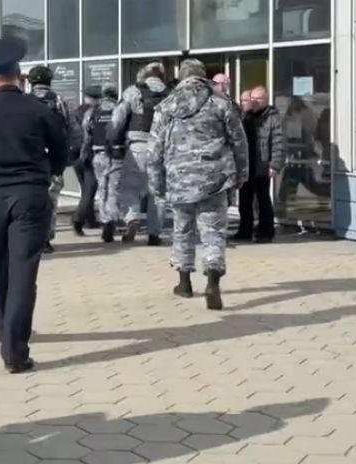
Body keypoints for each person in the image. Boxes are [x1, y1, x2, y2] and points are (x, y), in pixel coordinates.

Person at [0, 37, 67, 373]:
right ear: (19, 75)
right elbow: (61, 152)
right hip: (29, 195)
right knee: (23, 270)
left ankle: (3, 327)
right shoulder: (38, 109)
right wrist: (45, 174)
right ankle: (15, 350)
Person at [148, 59, 249, 310]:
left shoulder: (166, 107)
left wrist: (156, 184)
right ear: (203, 76)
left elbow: (154, 150)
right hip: (214, 179)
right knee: (213, 232)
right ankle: (213, 281)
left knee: (182, 231)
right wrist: (241, 174)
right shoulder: (221, 104)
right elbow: (239, 142)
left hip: (179, 179)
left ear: (182, 77)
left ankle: (184, 284)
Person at [109, 62, 169, 245]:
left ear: (144, 75)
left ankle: (132, 217)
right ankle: (154, 233)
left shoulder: (133, 92)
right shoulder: (171, 94)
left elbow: (117, 120)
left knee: (130, 187)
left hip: (138, 147)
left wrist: (113, 142)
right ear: (162, 76)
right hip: (163, 148)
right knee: (157, 192)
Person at [26, 65, 75, 253]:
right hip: (53, 159)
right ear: (49, 81)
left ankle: (31, 237)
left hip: (29, 160)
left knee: (29, 200)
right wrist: (69, 154)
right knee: (51, 201)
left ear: (31, 82)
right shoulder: (60, 101)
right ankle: (46, 239)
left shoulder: (23, 101)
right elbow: (73, 130)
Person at [237, 85, 284, 242]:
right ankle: (245, 230)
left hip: (262, 164)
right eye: (253, 98)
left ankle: (265, 232)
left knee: (263, 200)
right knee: (244, 199)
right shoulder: (246, 116)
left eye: (259, 98)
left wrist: (275, 165)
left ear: (266, 100)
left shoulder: (272, 118)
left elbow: (278, 142)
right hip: (246, 164)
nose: (255, 101)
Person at [82, 84, 124, 242]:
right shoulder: (119, 108)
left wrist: (86, 151)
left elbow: (86, 133)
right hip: (116, 153)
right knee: (114, 190)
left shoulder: (93, 111)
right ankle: (110, 222)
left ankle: (105, 220)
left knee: (102, 189)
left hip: (98, 154)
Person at [71, 86, 103, 235]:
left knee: (86, 188)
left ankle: (90, 220)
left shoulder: (77, 111)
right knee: (90, 189)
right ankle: (78, 219)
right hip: (89, 155)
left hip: (76, 155)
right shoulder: (96, 113)